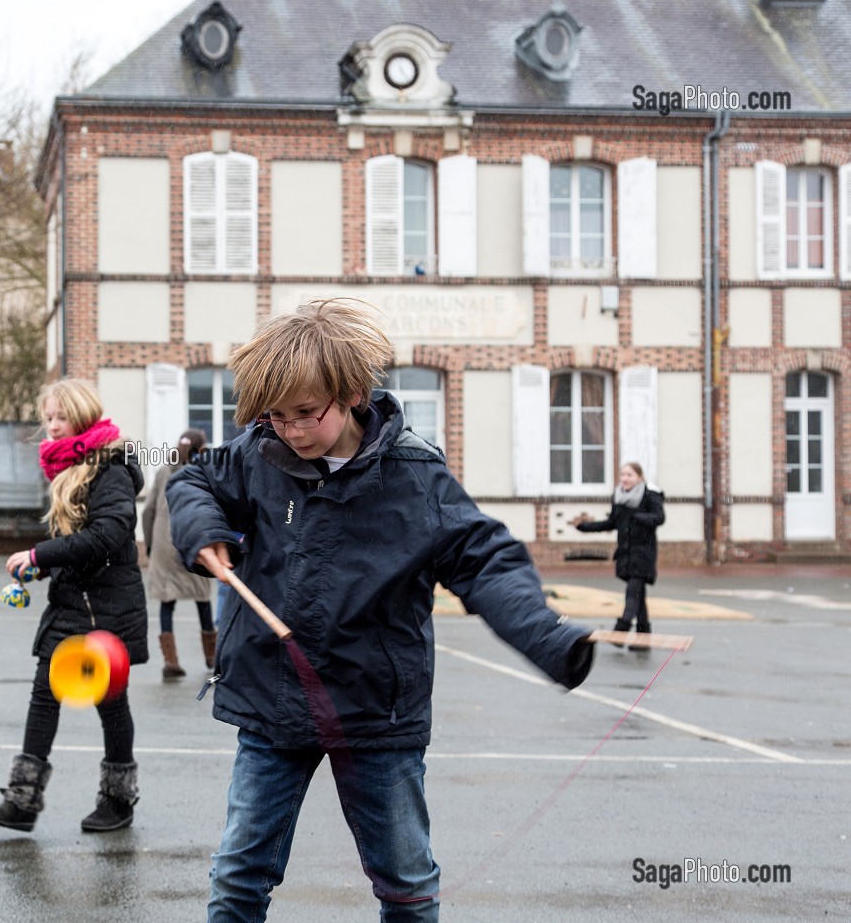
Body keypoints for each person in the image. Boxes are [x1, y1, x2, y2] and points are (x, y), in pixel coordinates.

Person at [166, 299, 595, 922]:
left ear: (350, 393)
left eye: (306, 413)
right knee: (237, 879)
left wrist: (549, 639)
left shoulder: (415, 478)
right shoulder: (256, 453)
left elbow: (485, 559)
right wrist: (202, 527)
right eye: (275, 415)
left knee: (407, 886)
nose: (290, 430)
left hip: (375, 713)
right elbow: (192, 480)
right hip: (272, 703)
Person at [0, 377, 150, 834]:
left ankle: (117, 801)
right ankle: (22, 800)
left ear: (82, 416)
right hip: (72, 603)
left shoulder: (109, 468)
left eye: (60, 417)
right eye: (48, 417)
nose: (52, 426)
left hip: (108, 609)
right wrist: (43, 569)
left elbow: (108, 537)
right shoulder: (68, 467)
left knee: (110, 703)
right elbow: (77, 543)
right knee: (44, 696)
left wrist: (40, 555)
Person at [142, 428, 216, 679]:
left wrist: (151, 545)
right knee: (202, 598)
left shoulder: (164, 471)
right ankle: (212, 657)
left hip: (164, 542)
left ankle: (171, 662)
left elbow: (148, 510)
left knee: (167, 601)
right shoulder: (204, 471)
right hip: (193, 541)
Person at [569, 461, 665, 647]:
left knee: (632, 590)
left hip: (643, 551)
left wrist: (637, 517)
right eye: (622, 475)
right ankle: (643, 637)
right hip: (625, 552)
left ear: (639, 477)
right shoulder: (619, 497)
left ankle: (622, 628)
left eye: (629, 475)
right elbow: (612, 522)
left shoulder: (650, 495)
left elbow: (659, 517)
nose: (625, 479)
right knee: (638, 594)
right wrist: (584, 527)